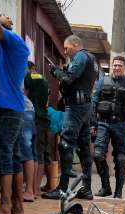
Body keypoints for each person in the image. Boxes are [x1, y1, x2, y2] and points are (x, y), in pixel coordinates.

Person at [42, 35, 99, 200]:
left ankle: (62, 189)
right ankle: (86, 189)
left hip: (75, 107)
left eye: (67, 48)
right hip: (85, 107)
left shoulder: (81, 56)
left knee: (65, 145)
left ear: (75, 44)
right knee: (84, 148)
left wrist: (56, 72)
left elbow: (69, 78)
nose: (65, 52)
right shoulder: (92, 59)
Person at [0, 13, 30, 214]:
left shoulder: (13, 42)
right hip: (13, 109)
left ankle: (4, 207)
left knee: (5, 156)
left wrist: (0, 21)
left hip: (7, 110)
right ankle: (17, 207)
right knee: (14, 158)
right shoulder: (3, 48)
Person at [92, 56, 125, 198]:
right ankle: (105, 186)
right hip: (103, 123)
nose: (117, 68)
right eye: (115, 65)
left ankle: (118, 191)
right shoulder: (102, 82)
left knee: (120, 159)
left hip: (121, 125)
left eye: (120, 65)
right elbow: (94, 102)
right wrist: (93, 123)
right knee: (98, 155)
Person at [24, 62, 52, 195]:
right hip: (44, 118)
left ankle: (34, 188)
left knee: (36, 154)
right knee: (41, 153)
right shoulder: (43, 79)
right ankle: (36, 188)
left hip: (37, 118)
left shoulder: (31, 77)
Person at [21, 93, 37, 202]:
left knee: (26, 152)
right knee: (30, 152)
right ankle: (31, 189)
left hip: (22, 109)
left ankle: (29, 190)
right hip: (28, 109)